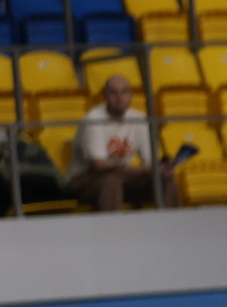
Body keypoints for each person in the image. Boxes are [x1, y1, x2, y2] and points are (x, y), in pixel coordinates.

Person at [70, 75, 175, 212]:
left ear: (131, 95)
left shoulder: (140, 119)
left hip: (124, 177)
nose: (119, 98)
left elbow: (150, 161)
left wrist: (161, 168)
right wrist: (138, 170)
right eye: (113, 93)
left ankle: (171, 222)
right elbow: (99, 165)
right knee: (111, 181)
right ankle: (113, 225)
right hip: (85, 180)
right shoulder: (93, 120)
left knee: (165, 178)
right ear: (105, 95)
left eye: (124, 92)